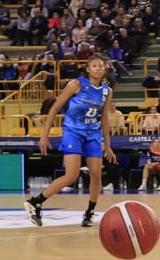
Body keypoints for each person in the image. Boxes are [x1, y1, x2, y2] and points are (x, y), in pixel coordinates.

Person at [24, 54, 112, 227]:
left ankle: (90, 212)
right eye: (94, 65)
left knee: (96, 174)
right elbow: (55, 108)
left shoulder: (107, 91)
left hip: (93, 134)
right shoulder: (76, 84)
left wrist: (108, 145)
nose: (98, 68)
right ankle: (36, 202)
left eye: (101, 66)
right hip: (73, 131)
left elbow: (105, 119)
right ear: (88, 69)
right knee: (71, 175)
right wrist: (44, 135)